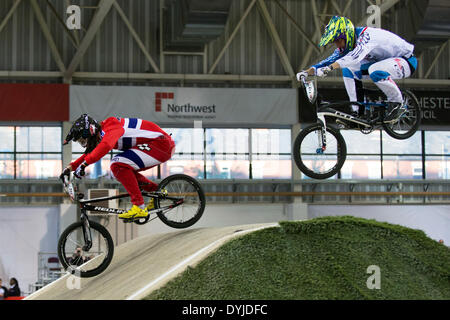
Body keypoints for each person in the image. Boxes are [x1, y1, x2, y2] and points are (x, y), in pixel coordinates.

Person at [296, 15, 418, 123]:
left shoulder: (366, 37)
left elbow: (353, 58)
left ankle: (397, 103)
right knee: (348, 70)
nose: (338, 45)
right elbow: (328, 61)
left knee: (374, 71)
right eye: (335, 42)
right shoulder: (349, 44)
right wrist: (306, 72)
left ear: (347, 35)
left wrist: (330, 68)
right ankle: (359, 113)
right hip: (384, 62)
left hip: (406, 61)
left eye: (338, 41)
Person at [60, 114, 175, 220]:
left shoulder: (111, 127)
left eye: (83, 140)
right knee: (122, 167)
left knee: (117, 164)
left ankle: (139, 206)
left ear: (91, 131)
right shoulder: (103, 131)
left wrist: (84, 165)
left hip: (161, 144)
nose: (84, 144)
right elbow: (89, 153)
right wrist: (70, 168)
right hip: (157, 145)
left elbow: (106, 146)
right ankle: (156, 191)